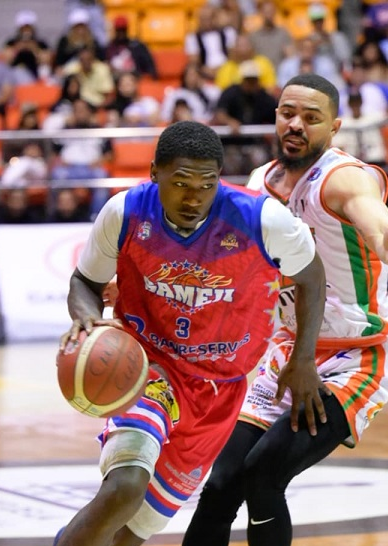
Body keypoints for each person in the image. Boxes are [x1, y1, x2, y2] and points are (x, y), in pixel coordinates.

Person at [53, 119, 326, 546]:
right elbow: (85, 281)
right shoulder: (125, 212)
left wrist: (302, 359)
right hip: (149, 369)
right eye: (181, 183)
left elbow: (312, 278)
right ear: (154, 173)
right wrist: (86, 318)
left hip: (219, 390)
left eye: (206, 184)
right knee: (125, 487)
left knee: (131, 534)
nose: (194, 197)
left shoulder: (263, 220)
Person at [182, 74, 388, 546]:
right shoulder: (259, 184)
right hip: (286, 353)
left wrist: (382, 236)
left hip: (352, 359)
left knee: (264, 474)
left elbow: (367, 206)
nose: (296, 125)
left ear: (334, 127)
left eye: (311, 118)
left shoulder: (341, 176)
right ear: (276, 116)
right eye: (288, 113)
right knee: (221, 484)